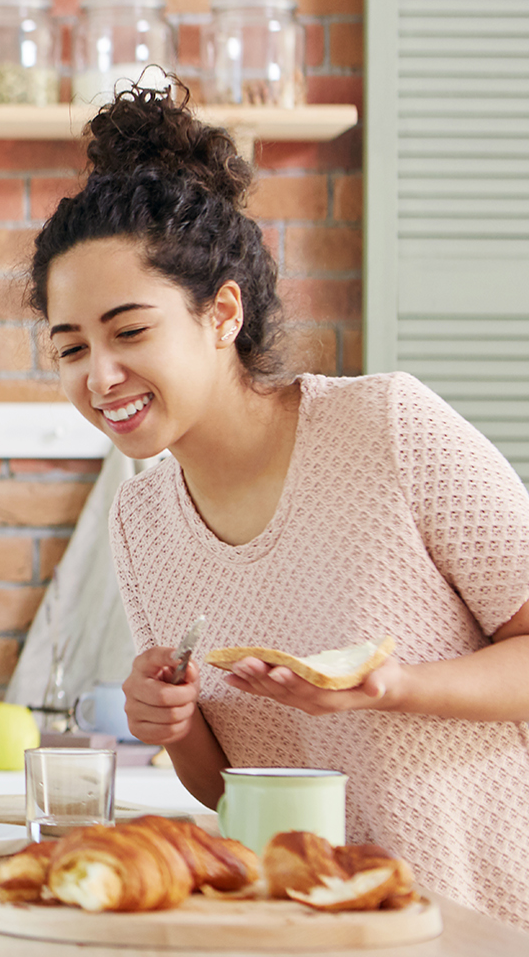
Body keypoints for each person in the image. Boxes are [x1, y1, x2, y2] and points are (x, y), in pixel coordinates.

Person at [30, 83, 529, 928]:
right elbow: (230, 788)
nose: (99, 376)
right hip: (301, 922)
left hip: (481, 912)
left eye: (130, 331)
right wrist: (174, 724)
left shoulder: (386, 427)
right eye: (71, 347)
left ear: (222, 312)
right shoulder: (142, 523)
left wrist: (395, 689)